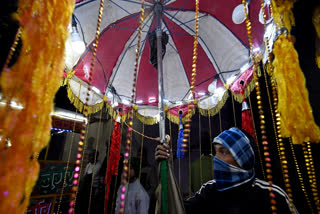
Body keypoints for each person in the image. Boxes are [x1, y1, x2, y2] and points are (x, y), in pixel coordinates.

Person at [155, 127, 299, 214]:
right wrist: (165, 169)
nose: (216, 158)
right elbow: (178, 209)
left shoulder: (272, 195)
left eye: (223, 152)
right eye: (215, 152)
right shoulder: (209, 190)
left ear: (242, 159)